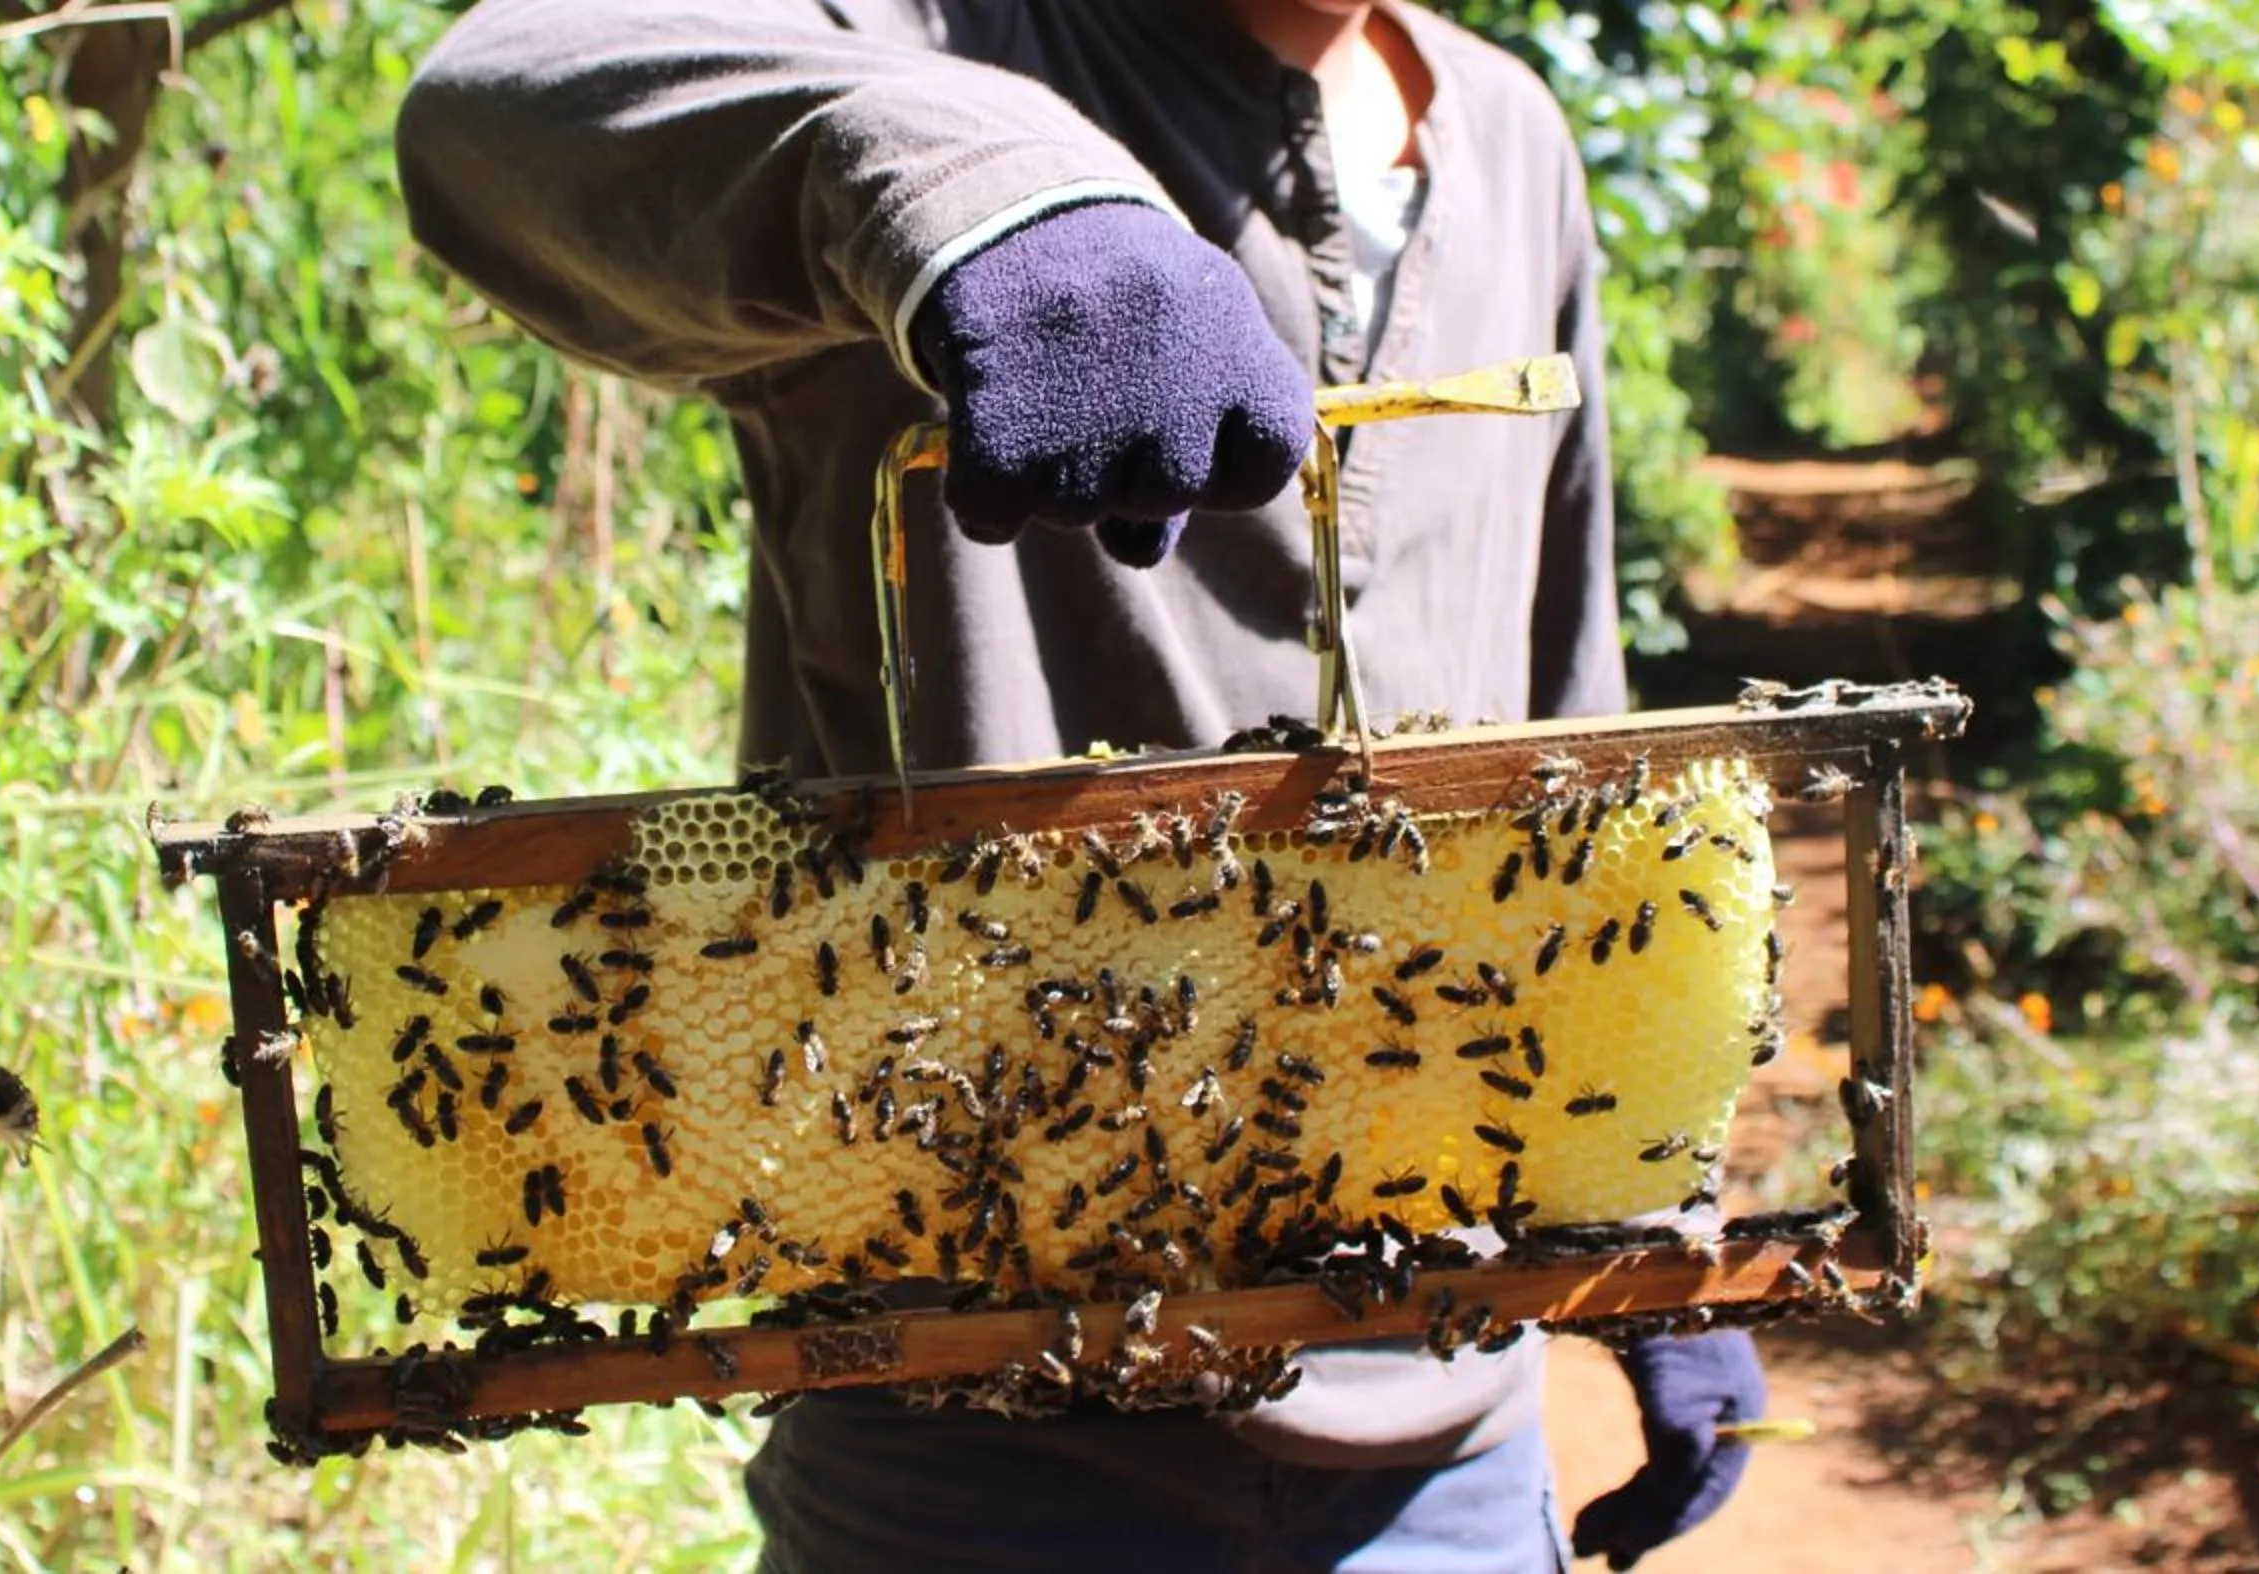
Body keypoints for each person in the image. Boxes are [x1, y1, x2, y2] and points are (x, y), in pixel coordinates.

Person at [394, 2, 1765, 1567]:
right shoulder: (923, 28)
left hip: (1441, 1413)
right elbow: (489, 108)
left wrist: (1654, 1212)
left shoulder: (1515, 135)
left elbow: (1563, 731)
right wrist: (990, 200)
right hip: (970, 1424)